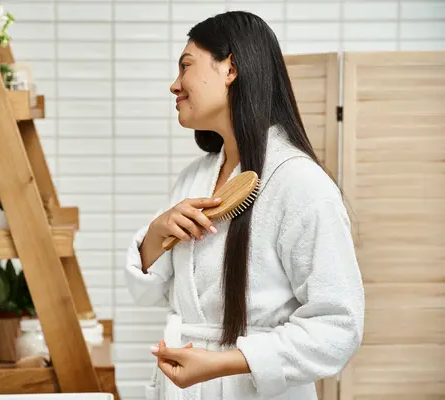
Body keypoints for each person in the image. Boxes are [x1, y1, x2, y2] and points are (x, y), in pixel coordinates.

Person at [124, 10, 365, 400]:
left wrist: (225, 362)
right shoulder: (194, 178)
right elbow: (151, 293)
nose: (175, 84)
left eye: (185, 66)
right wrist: (156, 232)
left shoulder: (301, 185)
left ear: (231, 68)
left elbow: (338, 327)